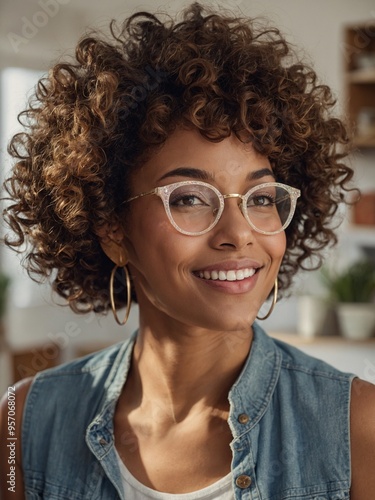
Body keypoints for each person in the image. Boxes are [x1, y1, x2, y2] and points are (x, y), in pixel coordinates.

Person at [1, 3, 375, 499]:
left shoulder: (357, 428)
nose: (239, 233)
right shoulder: (23, 424)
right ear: (112, 229)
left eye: (261, 198)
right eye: (190, 199)